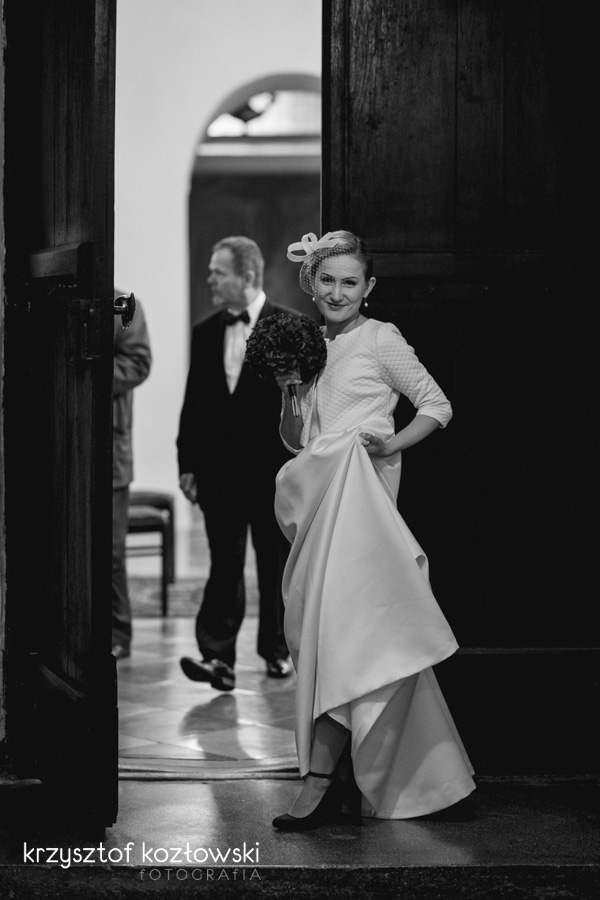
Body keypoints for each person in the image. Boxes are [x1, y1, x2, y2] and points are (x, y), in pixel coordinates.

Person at [271, 230, 475, 830]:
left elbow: (437, 404)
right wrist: (290, 391)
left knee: (352, 636)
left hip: (364, 504)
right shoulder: (310, 346)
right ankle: (429, 777)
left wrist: (390, 443)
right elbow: (297, 441)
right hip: (320, 502)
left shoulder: (380, 337)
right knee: (339, 637)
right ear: (312, 286)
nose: (338, 292)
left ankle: (319, 780)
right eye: (327, 281)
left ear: (368, 287)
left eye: (350, 282)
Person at [177, 236, 292, 691]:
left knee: (274, 563)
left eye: (217, 272)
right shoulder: (205, 331)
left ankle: (277, 650)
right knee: (223, 563)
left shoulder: (287, 326)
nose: (210, 279)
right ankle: (217, 656)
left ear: (246, 276)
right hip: (218, 473)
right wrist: (187, 464)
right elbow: (194, 403)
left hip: (271, 472)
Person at [112, 292, 152, 659]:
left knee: (111, 550)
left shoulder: (121, 304)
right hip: (58, 443)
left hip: (111, 451)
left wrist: (86, 367)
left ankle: (118, 632)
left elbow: (138, 363)